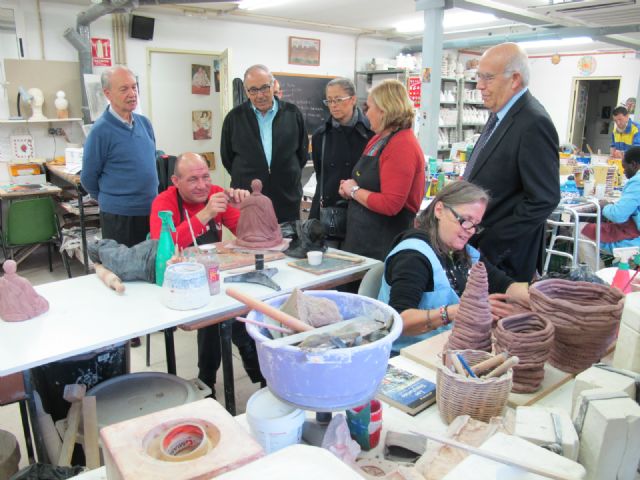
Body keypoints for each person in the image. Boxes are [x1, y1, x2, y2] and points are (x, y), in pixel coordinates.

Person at [149, 152, 264, 396]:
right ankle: (220, 377)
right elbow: (163, 246)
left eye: (205, 177)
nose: (202, 185)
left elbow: (250, 235)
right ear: (175, 181)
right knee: (219, 317)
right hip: (177, 283)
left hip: (213, 277)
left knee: (241, 310)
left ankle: (215, 379)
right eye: (192, 179)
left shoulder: (217, 194)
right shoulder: (164, 202)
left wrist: (244, 207)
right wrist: (206, 214)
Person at [378, 181, 529, 354]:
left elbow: (505, 285)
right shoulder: (413, 256)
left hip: (444, 347)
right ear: (439, 210)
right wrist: (459, 311)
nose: (470, 230)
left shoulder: (462, 252)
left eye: (475, 224)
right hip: (406, 354)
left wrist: (538, 298)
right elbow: (400, 321)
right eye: (465, 220)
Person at [463, 43, 560, 282]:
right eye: (478, 77)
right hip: (480, 247)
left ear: (514, 79)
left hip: (505, 257)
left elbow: (544, 198)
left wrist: (491, 243)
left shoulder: (533, 122)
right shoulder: (500, 114)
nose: (480, 86)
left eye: (488, 78)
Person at [338, 79, 425, 261]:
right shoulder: (378, 139)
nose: (366, 113)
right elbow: (367, 183)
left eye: (369, 107)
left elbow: (391, 204)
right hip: (362, 239)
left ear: (384, 110)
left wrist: (354, 191)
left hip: (382, 244)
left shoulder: (402, 146)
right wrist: (348, 187)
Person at [82, 65, 158, 248]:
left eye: (134, 87)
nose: (132, 93)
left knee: (151, 267)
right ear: (107, 93)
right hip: (119, 217)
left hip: (150, 210)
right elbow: (88, 178)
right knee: (124, 271)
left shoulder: (144, 123)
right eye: (124, 89)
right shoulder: (100, 131)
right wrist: (113, 200)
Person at [221, 64, 307, 223]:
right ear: (246, 91)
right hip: (248, 200)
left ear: (273, 85)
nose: (260, 95)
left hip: (286, 199)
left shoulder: (292, 114)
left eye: (264, 88)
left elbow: (301, 155)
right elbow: (227, 159)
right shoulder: (234, 118)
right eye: (253, 90)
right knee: (251, 245)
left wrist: (285, 172)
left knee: (288, 244)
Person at [310, 77, 374, 247]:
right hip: (327, 214)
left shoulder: (371, 134)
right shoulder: (321, 135)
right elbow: (320, 173)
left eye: (338, 100)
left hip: (361, 213)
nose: (333, 105)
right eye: (329, 100)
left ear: (353, 99)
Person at [581, 146, 640, 258]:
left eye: (624, 167)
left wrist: (606, 206)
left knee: (581, 230)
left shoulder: (637, 181)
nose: (624, 172)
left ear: (634, 165)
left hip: (635, 241)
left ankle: (596, 273)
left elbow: (617, 215)